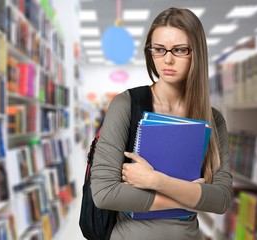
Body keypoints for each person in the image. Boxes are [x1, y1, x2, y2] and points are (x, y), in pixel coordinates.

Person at [90, 7, 233, 240]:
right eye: (158, 49)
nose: (167, 59)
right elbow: (104, 193)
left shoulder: (213, 119)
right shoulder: (126, 105)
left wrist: (156, 180)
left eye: (179, 50)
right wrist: (190, 197)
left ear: (196, 52)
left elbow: (221, 200)